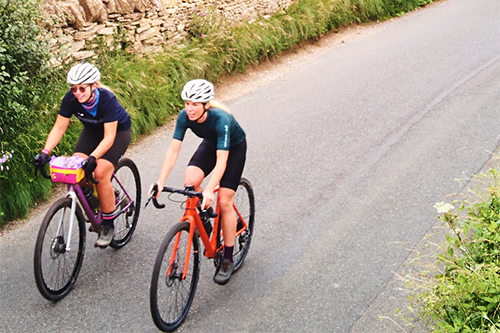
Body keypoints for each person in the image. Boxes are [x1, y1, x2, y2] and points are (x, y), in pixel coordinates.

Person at [150, 79, 247, 285]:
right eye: (187, 103)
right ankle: (205, 219)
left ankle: (227, 258)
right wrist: (160, 181)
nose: (190, 109)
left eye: (195, 104)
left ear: (206, 105)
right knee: (190, 181)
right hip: (212, 143)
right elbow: (173, 149)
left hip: (234, 148)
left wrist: (210, 189)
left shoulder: (222, 119)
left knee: (223, 201)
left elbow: (222, 161)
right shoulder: (184, 117)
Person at [34, 62, 132, 248]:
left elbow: (109, 137)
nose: (77, 93)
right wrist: (45, 152)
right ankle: (103, 196)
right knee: (75, 171)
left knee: (100, 172)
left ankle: (108, 225)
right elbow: (59, 127)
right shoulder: (70, 99)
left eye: (82, 88)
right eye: (73, 89)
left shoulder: (107, 99)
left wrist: (93, 157)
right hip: (92, 132)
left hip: (117, 133)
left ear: (93, 85)